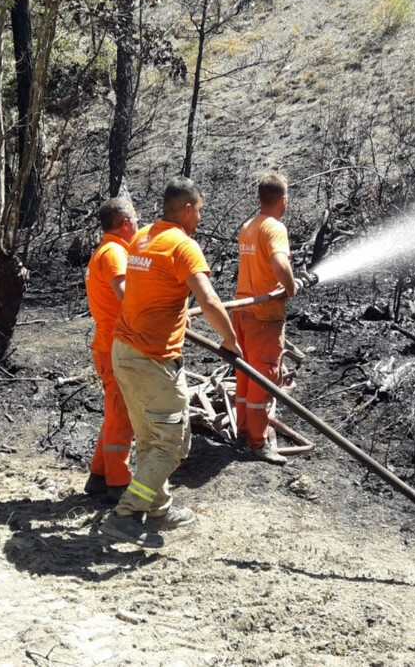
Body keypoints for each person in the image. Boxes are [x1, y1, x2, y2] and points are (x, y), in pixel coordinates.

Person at [100, 177, 242, 549]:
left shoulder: (143, 237)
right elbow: (210, 301)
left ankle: (159, 506)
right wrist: (231, 341)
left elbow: (149, 288)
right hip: (152, 358)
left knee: (150, 435)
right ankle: (125, 515)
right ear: (188, 209)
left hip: (124, 350)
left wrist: (176, 309)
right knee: (174, 441)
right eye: (199, 210)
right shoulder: (184, 245)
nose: (200, 218)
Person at [233, 173, 297, 466]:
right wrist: (291, 286)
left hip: (243, 312)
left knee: (245, 374)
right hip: (264, 317)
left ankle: (244, 430)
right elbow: (279, 263)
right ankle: (258, 442)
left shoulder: (248, 227)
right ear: (283, 200)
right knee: (264, 377)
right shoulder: (274, 228)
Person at [83, 197, 139, 501]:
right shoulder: (115, 253)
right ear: (126, 223)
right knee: (122, 416)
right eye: (136, 219)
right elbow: (124, 294)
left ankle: (99, 475)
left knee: (114, 413)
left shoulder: (102, 252)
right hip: (115, 345)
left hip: (108, 343)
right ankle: (118, 483)